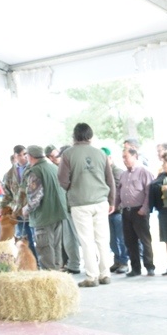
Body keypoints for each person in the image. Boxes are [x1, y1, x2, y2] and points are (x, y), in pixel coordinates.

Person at [58, 123, 116, 288]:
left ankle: (92, 277)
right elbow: (110, 179)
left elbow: (62, 180)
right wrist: (112, 201)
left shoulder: (68, 154)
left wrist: (73, 187)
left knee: (86, 240)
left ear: (74, 136)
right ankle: (105, 274)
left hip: (80, 203)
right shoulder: (100, 154)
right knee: (102, 240)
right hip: (101, 201)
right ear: (90, 136)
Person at [20, 145, 68, 271]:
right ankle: (57, 275)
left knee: (45, 249)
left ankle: (49, 277)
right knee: (56, 248)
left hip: (44, 216)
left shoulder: (35, 172)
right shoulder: (53, 167)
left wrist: (26, 209)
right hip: (58, 213)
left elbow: (36, 197)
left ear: (30, 157)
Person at [117, 146, 156, 277]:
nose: (124, 160)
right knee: (130, 241)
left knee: (145, 240)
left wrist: (144, 209)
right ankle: (135, 268)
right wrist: (115, 205)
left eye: (126, 157)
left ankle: (149, 266)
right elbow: (118, 192)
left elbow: (149, 192)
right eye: (123, 157)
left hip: (139, 211)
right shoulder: (123, 175)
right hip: (126, 212)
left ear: (135, 157)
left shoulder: (144, 172)